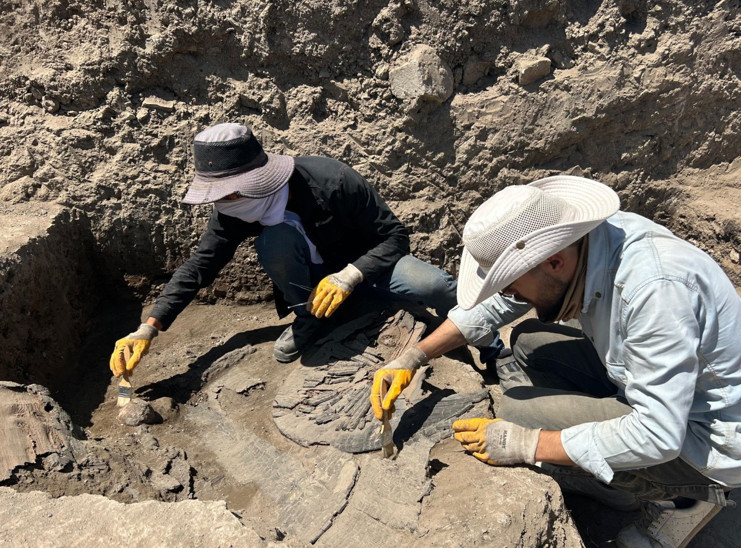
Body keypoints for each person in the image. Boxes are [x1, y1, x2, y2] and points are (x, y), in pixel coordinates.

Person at [371, 175, 741, 548]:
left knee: (513, 414)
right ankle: (611, 473)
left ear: (554, 263)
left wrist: (526, 444)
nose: (509, 293)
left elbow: (660, 433)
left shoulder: (654, 289)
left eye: (510, 281)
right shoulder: (585, 243)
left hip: (706, 440)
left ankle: (682, 498)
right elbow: (496, 306)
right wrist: (414, 357)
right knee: (529, 343)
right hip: (670, 392)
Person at [109, 122, 501, 377]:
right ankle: (313, 316)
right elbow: (200, 265)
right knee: (275, 241)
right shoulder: (234, 209)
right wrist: (148, 328)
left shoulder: (330, 180)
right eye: (218, 195)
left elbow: (395, 238)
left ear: (255, 180)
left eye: (227, 192)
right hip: (316, 286)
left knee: (433, 285)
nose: (222, 202)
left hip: (371, 267)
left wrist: (351, 275)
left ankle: (492, 347)